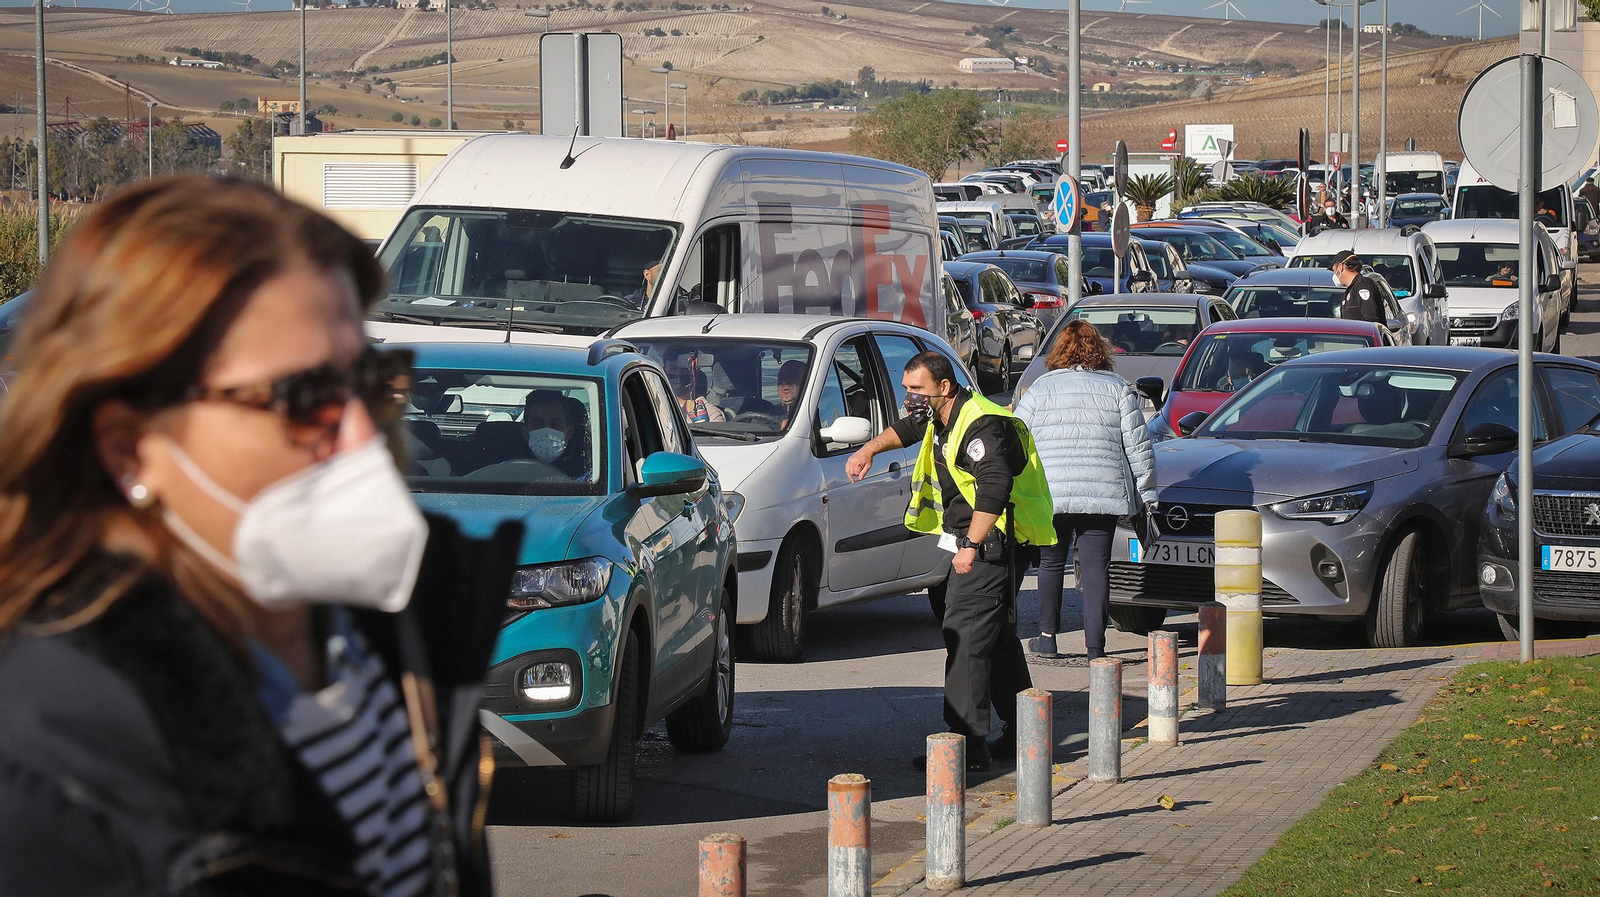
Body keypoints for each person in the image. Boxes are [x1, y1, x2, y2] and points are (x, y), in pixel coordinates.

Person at [0, 177, 520, 896]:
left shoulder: (394, 633)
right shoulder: (52, 756)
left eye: (370, 381)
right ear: (131, 447)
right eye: (304, 399)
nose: (364, 435)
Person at [845, 352, 1056, 771]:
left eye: (918, 390)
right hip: (984, 539)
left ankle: (965, 744)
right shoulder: (941, 413)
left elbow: (995, 485)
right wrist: (868, 449)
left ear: (944, 388)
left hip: (995, 540)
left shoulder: (980, 423)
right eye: (907, 389)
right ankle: (1024, 731)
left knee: (966, 632)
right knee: (991, 636)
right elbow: (906, 429)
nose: (911, 398)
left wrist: (971, 545)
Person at [1013, 321, 1154, 661]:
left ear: (1059, 350)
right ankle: (1095, 649)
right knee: (1095, 569)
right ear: (1100, 351)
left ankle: (1047, 638)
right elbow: (1139, 447)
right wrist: (1147, 497)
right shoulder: (1119, 389)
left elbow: (1016, 436)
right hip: (1102, 495)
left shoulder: (1040, 389)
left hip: (1052, 493)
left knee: (1049, 564)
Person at [523, 388, 591, 477]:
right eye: (537, 425)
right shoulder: (510, 471)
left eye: (555, 425)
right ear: (525, 433)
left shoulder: (588, 473)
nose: (547, 430)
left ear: (569, 432)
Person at [662, 351, 728, 424]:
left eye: (684, 368)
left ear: (695, 373)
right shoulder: (654, 405)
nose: (678, 373)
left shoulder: (711, 413)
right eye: (673, 368)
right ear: (664, 371)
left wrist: (702, 425)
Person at [1331, 249, 1384, 325]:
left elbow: (1371, 320)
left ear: (1340, 267)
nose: (1334, 275)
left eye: (1334, 270)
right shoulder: (1351, 290)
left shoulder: (1363, 285)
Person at [777, 359, 808, 428]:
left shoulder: (816, 411)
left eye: (792, 376)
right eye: (781, 377)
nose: (784, 382)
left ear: (806, 381)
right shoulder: (769, 412)